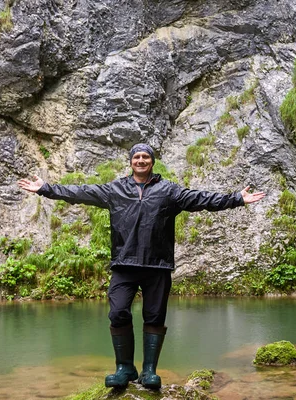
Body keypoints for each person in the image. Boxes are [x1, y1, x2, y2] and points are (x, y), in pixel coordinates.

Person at [17, 143, 265, 390]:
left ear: (152, 161)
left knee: (155, 316)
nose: (141, 160)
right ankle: (125, 368)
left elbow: (201, 199)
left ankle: (149, 371)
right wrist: (45, 189)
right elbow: (81, 192)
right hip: (124, 264)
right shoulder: (115, 190)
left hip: (157, 265)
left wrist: (237, 199)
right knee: (117, 313)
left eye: (146, 156)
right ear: (131, 162)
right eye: (137, 157)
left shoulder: (169, 191)